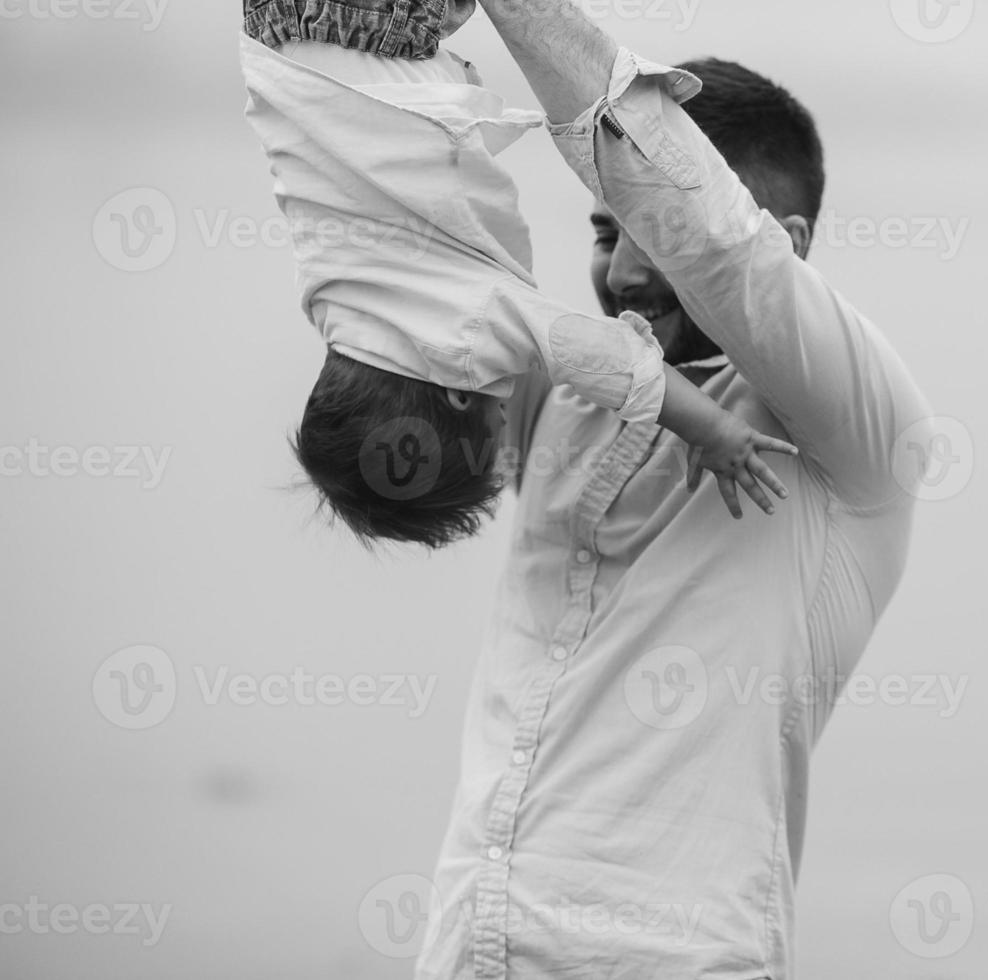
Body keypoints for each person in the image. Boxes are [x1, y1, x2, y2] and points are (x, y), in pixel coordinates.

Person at [409, 2, 937, 977]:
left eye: (653, 233)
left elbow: (720, 251)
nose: (626, 271)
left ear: (788, 243)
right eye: (607, 231)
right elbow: (399, 392)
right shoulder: (572, 375)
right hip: (471, 942)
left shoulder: (860, 432)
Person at [239, 1, 797, 548]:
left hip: (380, 26)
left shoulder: (467, 338)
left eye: (497, 413)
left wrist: (715, 433)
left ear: (462, 397)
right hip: (286, 40)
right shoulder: (328, 302)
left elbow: (625, 369)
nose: (507, 399)